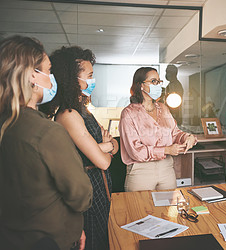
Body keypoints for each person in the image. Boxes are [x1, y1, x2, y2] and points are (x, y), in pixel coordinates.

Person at [0, 35, 92, 250]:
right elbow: (81, 196)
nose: (52, 78)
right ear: (33, 76)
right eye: (49, 71)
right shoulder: (47, 132)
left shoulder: (8, 124)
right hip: (48, 241)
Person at [40, 46, 118, 250]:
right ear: (71, 79)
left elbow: (113, 145)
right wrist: (106, 146)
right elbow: (104, 160)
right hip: (88, 193)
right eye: (89, 76)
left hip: (100, 187)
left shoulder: (84, 111)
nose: (93, 81)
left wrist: (104, 145)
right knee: (94, 242)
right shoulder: (68, 115)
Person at [119, 67, 197, 192]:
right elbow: (136, 151)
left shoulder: (163, 108)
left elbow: (175, 133)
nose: (158, 85)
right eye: (153, 81)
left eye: (159, 82)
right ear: (141, 86)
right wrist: (166, 150)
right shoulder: (129, 113)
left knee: (168, 210)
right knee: (140, 210)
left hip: (166, 169)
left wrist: (188, 137)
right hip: (141, 171)